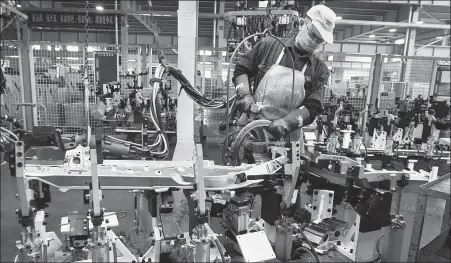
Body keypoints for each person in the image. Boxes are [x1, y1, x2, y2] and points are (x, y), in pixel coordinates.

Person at [233, 5, 337, 140]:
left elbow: (314, 106)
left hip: (287, 138)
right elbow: (241, 69)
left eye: (320, 40)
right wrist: (245, 96)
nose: (315, 41)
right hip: (252, 130)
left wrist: (286, 123)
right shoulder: (268, 46)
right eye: (313, 34)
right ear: (302, 24)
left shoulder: (319, 69)